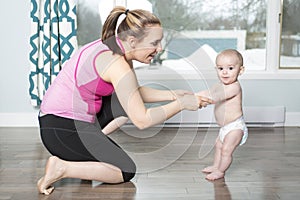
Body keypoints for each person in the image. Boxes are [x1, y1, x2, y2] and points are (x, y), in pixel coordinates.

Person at [37, 6, 213, 195]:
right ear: (132, 41)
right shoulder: (117, 63)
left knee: (122, 104)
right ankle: (63, 168)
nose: (160, 49)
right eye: (155, 43)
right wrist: (182, 104)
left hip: (57, 123)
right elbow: (142, 120)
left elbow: (131, 92)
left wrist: (174, 95)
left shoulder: (113, 47)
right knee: (125, 169)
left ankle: (88, 155)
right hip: (61, 131)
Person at [196, 49, 248, 181]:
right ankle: (215, 166)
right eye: (220, 68)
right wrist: (194, 95)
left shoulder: (234, 87)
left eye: (230, 68)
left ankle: (220, 171)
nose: (225, 72)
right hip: (224, 128)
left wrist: (205, 99)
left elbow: (216, 97)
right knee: (218, 146)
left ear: (240, 70)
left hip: (235, 127)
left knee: (226, 150)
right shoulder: (219, 84)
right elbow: (208, 91)